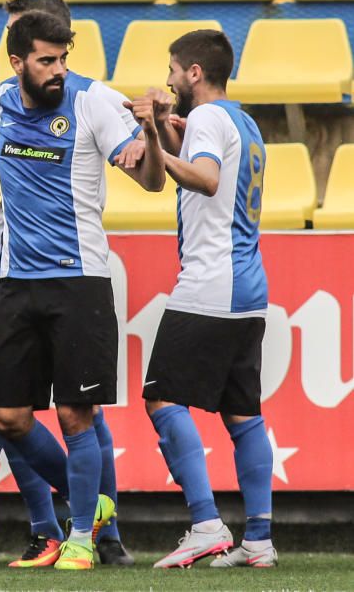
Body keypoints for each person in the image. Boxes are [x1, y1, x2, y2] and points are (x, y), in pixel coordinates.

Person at [0, 0, 136, 568]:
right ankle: (95, 504)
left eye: (62, 59)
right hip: (14, 279)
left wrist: (152, 137)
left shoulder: (96, 100)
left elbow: (143, 170)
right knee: (5, 415)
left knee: (77, 414)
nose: (57, 70)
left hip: (77, 280)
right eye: (46, 60)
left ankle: (81, 535)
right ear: (16, 61)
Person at [137, 29, 275, 569]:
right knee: (243, 415)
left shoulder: (211, 120)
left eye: (174, 69)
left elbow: (209, 180)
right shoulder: (244, 121)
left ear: (194, 72)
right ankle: (258, 540)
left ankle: (205, 523)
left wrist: (156, 143)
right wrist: (171, 135)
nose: (169, 79)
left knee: (161, 398)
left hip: (211, 283)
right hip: (249, 287)